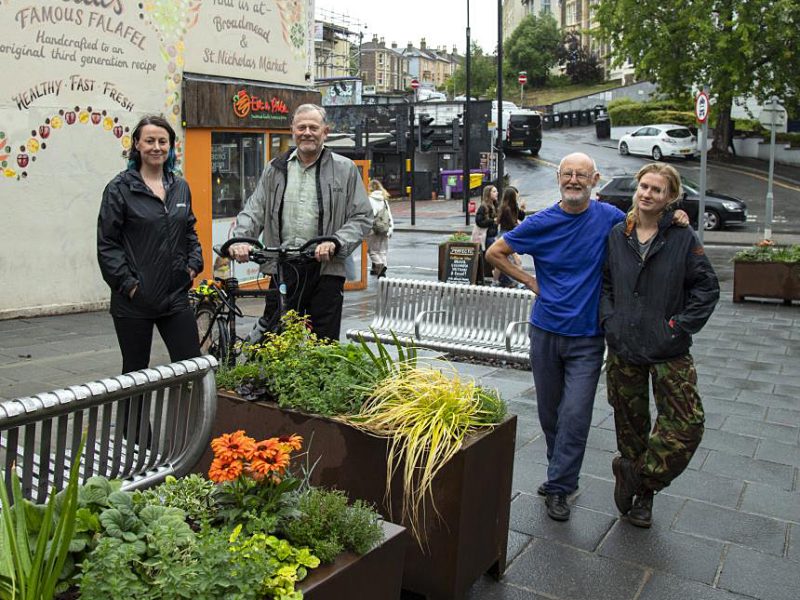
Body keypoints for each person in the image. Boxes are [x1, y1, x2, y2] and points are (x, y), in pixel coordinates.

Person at [487, 152, 688, 522]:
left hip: (588, 337)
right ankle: (559, 473)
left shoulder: (610, 218)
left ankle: (560, 487)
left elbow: (646, 219)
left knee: (576, 414)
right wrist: (531, 281)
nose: (574, 180)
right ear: (559, 179)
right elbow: (495, 252)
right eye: (568, 174)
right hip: (545, 331)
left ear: (595, 180)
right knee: (550, 415)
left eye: (582, 175)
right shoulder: (541, 222)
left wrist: (673, 215)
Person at [600, 163, 719, 528]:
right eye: (644, 187)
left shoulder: (682, 237)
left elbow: (706, 288)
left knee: (686, 425)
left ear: (670, 197)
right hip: (625, 347)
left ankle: (643, 480)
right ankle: (643, 501)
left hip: (669, 349)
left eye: (657, 189)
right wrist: (610, 321)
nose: (648, 194)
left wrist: (679, 326)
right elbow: (606, 284)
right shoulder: (619, 234)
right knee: (631, 429)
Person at [228, 104, 372, 342]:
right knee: (274, 340)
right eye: (301, 127)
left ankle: (319, 380)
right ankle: (271, 380)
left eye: (313, 127)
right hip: (284, 268)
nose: (307, 132)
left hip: (326, 269)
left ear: (325, 132)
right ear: (292, 130)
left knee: (323, 344)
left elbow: (363, 216)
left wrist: (335, 242)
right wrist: (241, 239)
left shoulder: (344, 169)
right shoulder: (276, 168)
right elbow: (254, 210)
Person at [97, 114, 203, 374]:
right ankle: (135, 417)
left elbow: (189, 230)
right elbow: (107, 244)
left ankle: (187, 416)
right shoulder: (119, 189)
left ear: (170, 146)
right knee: (136, 375)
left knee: (192, 366)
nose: (157, 147)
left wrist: (192, 266)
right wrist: (130, 286)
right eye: (150, 141)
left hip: (175, 295)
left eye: (163, 141)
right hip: (135, 301)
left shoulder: (179, 187)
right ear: (137, 145)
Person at [494, 186, 525, 287]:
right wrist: (524, 227)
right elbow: (513, 224)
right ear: (512, 196)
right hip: (506, 236)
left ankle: (495, 282)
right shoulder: (506, 209)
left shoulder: (511, 207)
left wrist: (522, 209)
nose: (517, 197)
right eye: (516, 195)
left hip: (507, 235)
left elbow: (519, 217)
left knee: (500, 261)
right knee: (517, 260)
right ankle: (520, 282)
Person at [366, 178, 393, 278]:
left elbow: (370, 216)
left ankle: (379, 265)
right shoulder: (384, 199)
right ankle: (384, 266)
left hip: (374, 230)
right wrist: (390, 229)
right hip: (385, 229)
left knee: (372, 251)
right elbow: (389, 216)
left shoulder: (370, 200)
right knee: (382, 251)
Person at [474, 185, 499, 251]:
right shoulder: (483, 207)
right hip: (487, 237)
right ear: (488, 194)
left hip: (494, 235)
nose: (497, 193)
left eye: (496, 191)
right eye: (494, 191)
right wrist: (493, 220)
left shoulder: (495, 205)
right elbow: (479, 222)